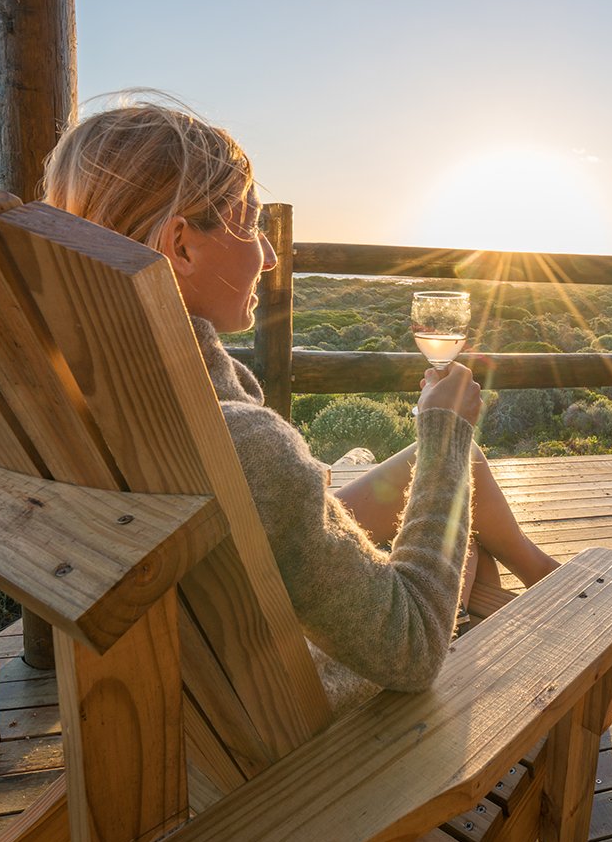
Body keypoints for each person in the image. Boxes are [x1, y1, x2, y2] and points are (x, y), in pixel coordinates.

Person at [41, 94, 559, 712]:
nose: (270, 253)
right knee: (453, 494)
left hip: (191, 657)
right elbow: (414, 649)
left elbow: (270, 516)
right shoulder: (241, 440)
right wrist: (446, 431)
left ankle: (536, 581)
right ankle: (557, 607)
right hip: (282, 710)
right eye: (252, 223)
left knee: (455, 480)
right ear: (181, 246)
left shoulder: (76, 374)